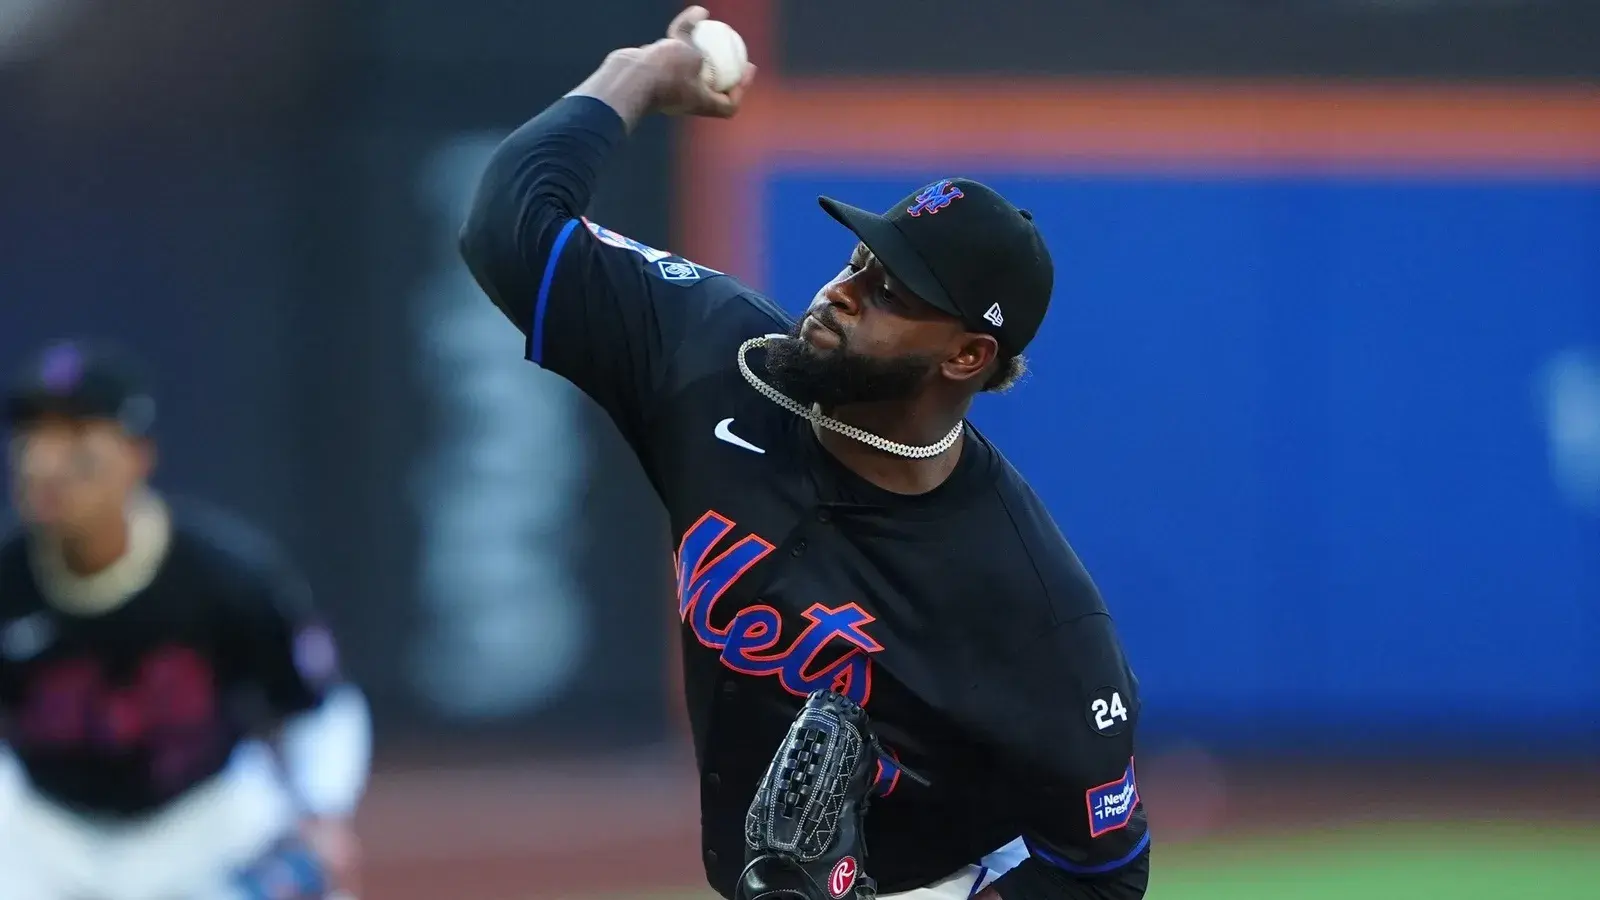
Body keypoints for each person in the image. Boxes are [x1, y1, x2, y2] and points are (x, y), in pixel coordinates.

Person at [458, 7, 1149, 900]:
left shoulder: (1031, 606)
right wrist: (639, 72)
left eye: (889, 290)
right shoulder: (713, 356)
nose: (841, 292)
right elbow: (510, 227)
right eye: (858, 258)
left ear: (967, 356)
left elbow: (1105, 876)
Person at [0, 340, 372, 900]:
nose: (44, 461)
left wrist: (322, 811)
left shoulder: (225, 576)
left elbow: (317, 707)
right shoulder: (8, 580)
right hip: (47, 829)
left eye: (76, 436)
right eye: (33, 437)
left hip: (200, 823)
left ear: (137, 456)